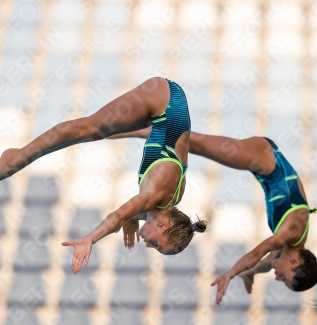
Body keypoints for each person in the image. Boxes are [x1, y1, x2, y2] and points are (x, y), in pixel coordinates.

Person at [0, 77, 207, 272]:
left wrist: (132, 219)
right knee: (87, 129)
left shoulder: (168, 202)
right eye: (157, 245)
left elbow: (130, 215)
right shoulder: (157, 193)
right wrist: (91, 238)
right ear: (163, 226)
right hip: (164, 99)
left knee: (97, 132)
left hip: (168, 112)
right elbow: (117, 216)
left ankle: (23, 155)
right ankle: (17, 158)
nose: (149, 246)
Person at [112, 129, 317, 301]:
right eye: (285, 277)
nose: (278, 278)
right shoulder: (292, 232)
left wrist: (248, 275)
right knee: (193, 143)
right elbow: (258, 253)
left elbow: (263, 263)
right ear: (295, 263)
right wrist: (230, 274)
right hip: (265, 159)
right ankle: (125, 130)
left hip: (265, 164)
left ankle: (130, 130)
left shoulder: (291, 245)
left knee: (191, 143)